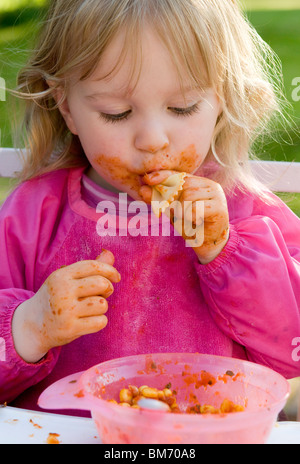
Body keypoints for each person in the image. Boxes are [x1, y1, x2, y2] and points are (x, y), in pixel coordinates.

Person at [0, 0, 299, 414]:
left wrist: (227, 251)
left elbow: (291, 349)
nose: (153, 139)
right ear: (67, 107)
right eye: (116, 113)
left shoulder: (246, 211)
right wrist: (29, 326)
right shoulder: (31, 217)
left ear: (222, 101)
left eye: (183, 108)